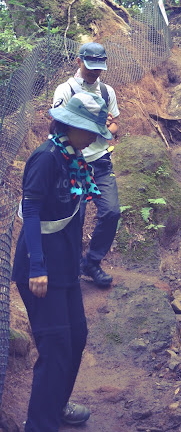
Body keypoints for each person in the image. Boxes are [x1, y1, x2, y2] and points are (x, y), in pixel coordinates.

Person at [12, 92, 113, 431]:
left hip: (66, 267)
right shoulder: (46, 158)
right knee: (55, 348)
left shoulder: (73, 157)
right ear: (72, 126)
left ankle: (55, 406)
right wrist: (37, 267)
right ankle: (40, 424)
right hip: (41, 270)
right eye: (91, 131)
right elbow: (31, 210)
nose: (95, 138)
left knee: (77, 338)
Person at [52, 42, 120, 288]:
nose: (94, 71)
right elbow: (58, 125)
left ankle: (92, 263)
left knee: (111, 212)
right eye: (90, 66)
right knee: (74, 219)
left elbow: (114, 126)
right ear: (79, 61)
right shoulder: (65, 90)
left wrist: (106, 126)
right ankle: (71, 268)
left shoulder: (107, 92)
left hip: (100, 160)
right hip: (72, 163)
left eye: (98, 67)